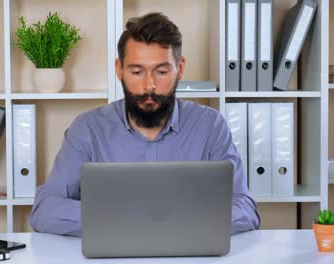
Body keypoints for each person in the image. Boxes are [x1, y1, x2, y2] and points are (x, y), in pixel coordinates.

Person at [30, 12, 260, 237]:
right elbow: (45, 209)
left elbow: (246, 209)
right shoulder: (88, 129)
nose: (149, 86)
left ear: (179, 69)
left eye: (161, 71)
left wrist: (175, 221)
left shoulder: (210, 126)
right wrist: (122, 218)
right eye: (137, 71)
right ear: (119, 70)